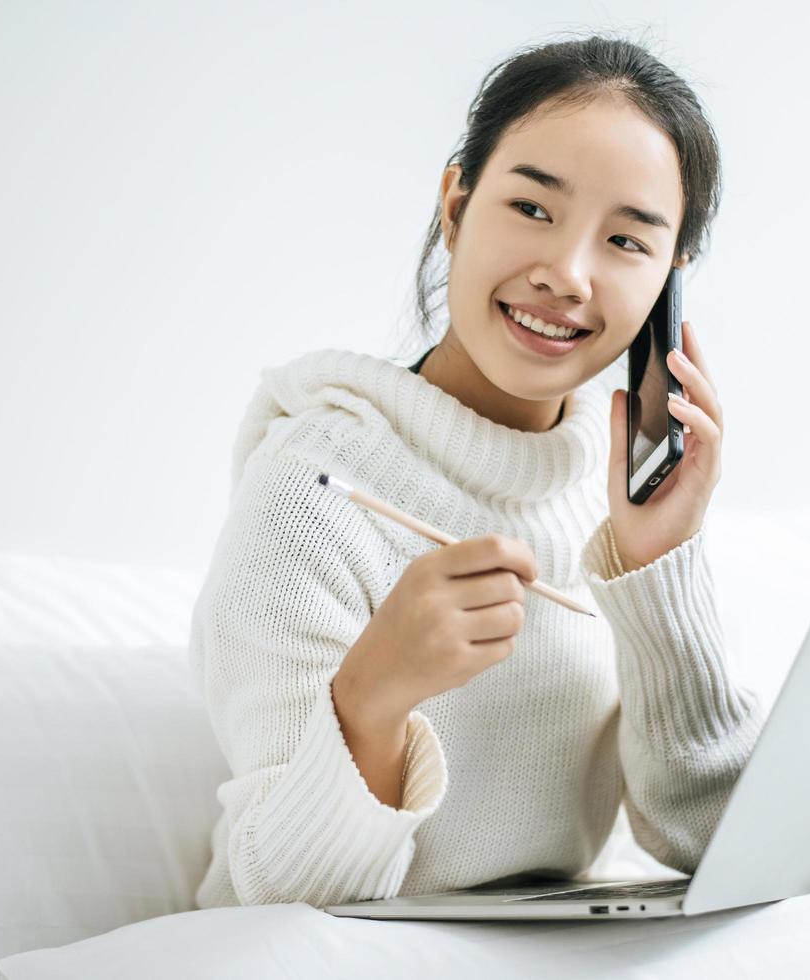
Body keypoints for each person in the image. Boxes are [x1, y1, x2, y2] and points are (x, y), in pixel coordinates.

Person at [188, 32, 765, 909]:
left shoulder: (613, 499)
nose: (566, 276)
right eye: (532, 209)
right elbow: (278, 898)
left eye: (625, 241)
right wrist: (371, 703)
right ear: (454, 206)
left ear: (667, 286)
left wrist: (658, 565)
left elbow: (712, 840)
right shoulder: (310, 488)